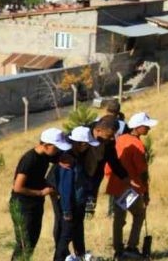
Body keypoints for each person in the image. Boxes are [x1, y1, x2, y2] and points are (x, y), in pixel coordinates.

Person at [10, 128, 68, 261]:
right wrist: (41, 192)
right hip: (22, 205)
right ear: (46, 145)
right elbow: (17, 187)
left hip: (35, 204)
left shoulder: (46, 155)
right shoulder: (29, 159)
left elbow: (61, 158)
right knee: (24, 243)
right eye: (56, 147)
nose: (58, 151)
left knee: (33, 240)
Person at [106, 111, 155, 259]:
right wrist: (145, 192)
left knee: (118, 219)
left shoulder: (118, 140)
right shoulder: (138, 144)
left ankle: (118, 251)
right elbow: (142, 172)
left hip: (115, 186)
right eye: (146, 126)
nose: (149, 129)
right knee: (139, 214)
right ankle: (131, 247)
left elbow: (108, 166)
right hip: (131, 189)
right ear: (138, 127)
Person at [49, 126, 98, 261]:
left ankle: (80, 254)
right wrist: (66, 210)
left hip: (78, 202)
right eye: (87, 145)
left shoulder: (78, 157)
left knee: (78, 229)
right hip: (70, 204)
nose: (88, 148)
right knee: (66, 235)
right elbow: (65, 188)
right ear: (80, 144)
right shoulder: (68, 161)